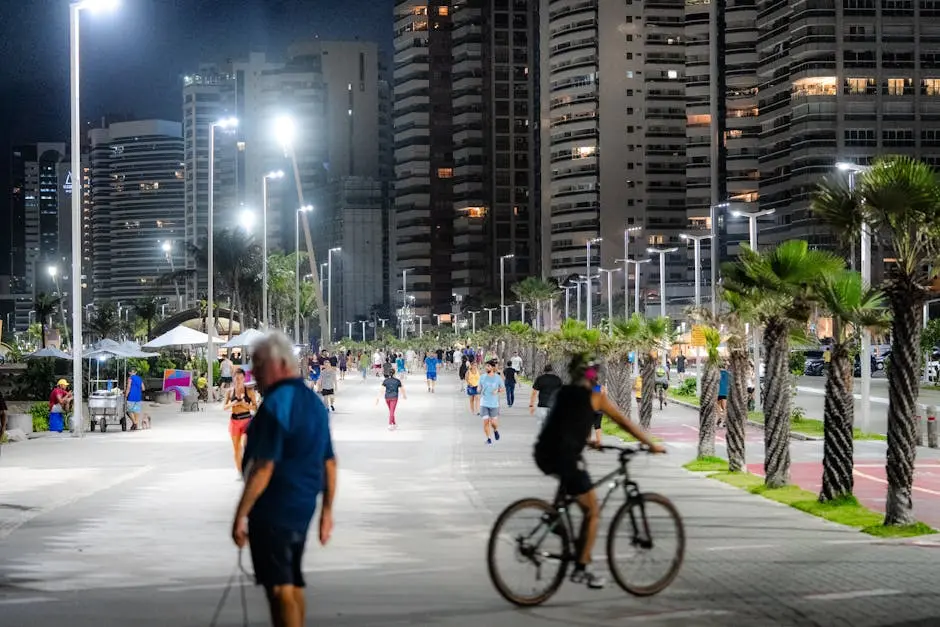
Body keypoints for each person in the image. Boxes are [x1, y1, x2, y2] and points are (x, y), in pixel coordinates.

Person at [534, 353, 665, 589]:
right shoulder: (596, 397)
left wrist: (587, 442)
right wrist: (650, 444)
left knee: (573, 488)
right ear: (592, 374)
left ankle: (555, 517)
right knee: (593, 510)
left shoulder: (561, 393)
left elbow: (562, 425)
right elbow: (624, 422)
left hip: (544, 453)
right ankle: (581, 568)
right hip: (564, 457)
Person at [232, 332, 337, 627]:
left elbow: (263, 467)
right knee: (291, 582)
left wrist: (240, 514)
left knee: (278, 589)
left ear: (277, 364)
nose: (254, 373)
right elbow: (329, 461)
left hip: (275, 508)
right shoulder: (312, 401)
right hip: (302, 506)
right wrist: (326, 511)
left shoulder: (277, 404)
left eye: (258, 365)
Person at [224, 368, 258, 472]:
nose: (238, 380)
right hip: (234, 421)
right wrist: (233, 403)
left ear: (244, 378)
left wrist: (244, 405)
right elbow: (224, 407)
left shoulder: (249, 391)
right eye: (236, 378)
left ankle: (249, 467)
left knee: (245, 444)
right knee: (237, 449)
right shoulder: (229, 392)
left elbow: (255, 407)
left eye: (240, 378)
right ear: (233, 378)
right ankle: (241, 471)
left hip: (246, 420)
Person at [529, 364, 562, 430]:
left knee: (541, 425)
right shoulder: (557, 379)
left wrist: (531, 405)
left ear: (544, 370)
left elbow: (534, 393)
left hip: (542, 405)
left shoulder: (540, 379)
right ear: (552, 370)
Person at [479, 360, 503, 445]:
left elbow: (502, 388)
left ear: (493, 367)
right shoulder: (482, 377)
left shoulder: (497, 378)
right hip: (484, 403)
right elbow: (479, 387)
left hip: (494, 403)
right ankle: (488, 438)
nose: (486, 367)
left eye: (488, 366)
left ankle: (495, 430)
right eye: (486, 366)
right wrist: (479, 390)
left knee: (493, 423)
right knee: (485, 422)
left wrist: (497, 390)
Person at [125, 367, 146, 431]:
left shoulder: (130, 378)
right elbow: (143, 388)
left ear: (129, 372)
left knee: (128, 411)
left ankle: (135, 423)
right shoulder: (139, 378)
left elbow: (128, 387)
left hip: (131, 397)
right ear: (136, 372)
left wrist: (126, 395)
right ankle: (135, 424)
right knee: (136, 411)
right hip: (138, 397)